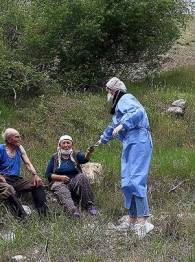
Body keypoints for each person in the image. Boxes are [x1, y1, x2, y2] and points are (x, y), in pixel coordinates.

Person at [95, 77, 154, 238]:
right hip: (129, 142)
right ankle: (132, 220)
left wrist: (123, 125)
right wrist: (102, 139)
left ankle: (144, 221)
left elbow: (138, 112)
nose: (107, 94)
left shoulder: (126, 98)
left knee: (136, 179)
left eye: (108, 91)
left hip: (139, 139)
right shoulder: (118, 109)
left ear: (114, 91)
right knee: (127, 182)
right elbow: (113, 126)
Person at [0, 128, 50, 219]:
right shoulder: (0, 149)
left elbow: (28, 164)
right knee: (8, 188)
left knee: (37, 184)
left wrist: (36, 175)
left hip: (15, 179)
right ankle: (22, 216)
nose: (19, 139)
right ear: (9, 139)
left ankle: (45, 213)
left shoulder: (19, 148)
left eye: (19, 136)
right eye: (17, 137)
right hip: (1, 179)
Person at [45, 135, 98, 218]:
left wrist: (89, 152)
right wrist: (60, 178)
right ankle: (73, 211)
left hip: (74, 181)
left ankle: (89, 205)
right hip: (59, 182)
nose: (66, 145)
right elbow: (48, 174)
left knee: (82, 176)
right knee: (60, 187)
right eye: (63, 143)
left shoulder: (75, 154)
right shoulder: (55, 157)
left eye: (68, 143)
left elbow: (85, 159)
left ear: (72, 144)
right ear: (59, 145)